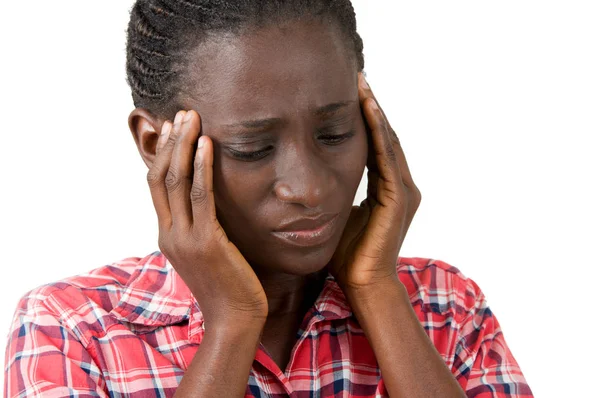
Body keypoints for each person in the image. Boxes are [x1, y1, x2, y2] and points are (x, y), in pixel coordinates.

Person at [4, 1, 533, 397]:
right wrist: (232, 320)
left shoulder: (446, 306)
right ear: (155, 144)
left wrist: (378, 290)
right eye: (252, 148)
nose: (307, 188)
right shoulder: (72, 330)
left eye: (334, 134)